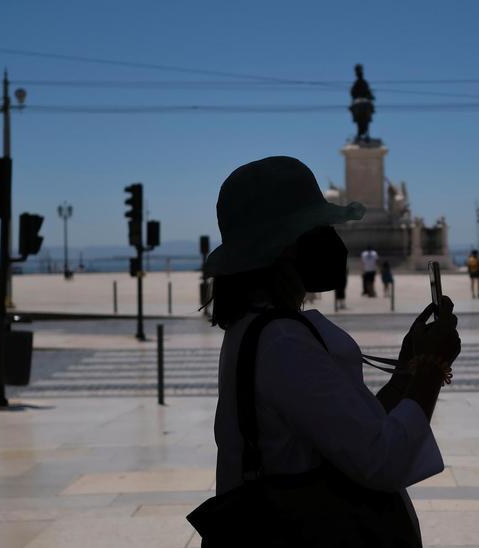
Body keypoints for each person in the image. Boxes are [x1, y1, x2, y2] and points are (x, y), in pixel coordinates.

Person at [191, 156, 460, 546]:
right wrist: (433, 367)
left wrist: (407, 369)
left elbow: (357, 428)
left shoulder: (260, 328)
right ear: (284, 246)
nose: (335, 241)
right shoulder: (282, 343)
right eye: (321, 227)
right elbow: (382, 460)